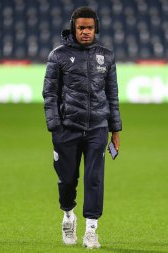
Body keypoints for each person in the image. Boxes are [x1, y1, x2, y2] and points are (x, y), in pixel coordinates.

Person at [42, 6, 122, 249]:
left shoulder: (106, 56)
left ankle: (91, 230)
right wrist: (55, 127)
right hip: (67, 128)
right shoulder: (58, 56)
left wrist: (115, 130)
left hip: (98, 127)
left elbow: (112, 95)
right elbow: (49, 94)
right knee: (67, 180)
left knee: (94, 178)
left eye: (89, 27)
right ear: (73, 28)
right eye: (81, 28)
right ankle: (68, 215)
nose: (85, 32)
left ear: (95, 27)